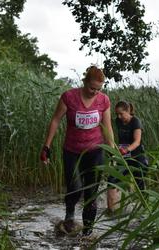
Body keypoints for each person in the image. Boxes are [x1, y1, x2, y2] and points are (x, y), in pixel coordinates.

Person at [40, 66, 114, 236]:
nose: (94, 92)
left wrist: (113, 150)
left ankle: (87, 234)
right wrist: (46, 147)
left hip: (95, 151)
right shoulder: (69, 97)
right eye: (91, 88)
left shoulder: (104, 100)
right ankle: (70, 214)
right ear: (85, 82)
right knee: (75, 187)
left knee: (91, 194)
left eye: (98, 89)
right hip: (72, 151)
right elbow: (55, 121)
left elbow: (108, 128)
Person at [107, 101, 148, 213]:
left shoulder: (136, 122)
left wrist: (126, 150)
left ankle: (144, 210)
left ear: (128, 111)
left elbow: (137, 142)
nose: (119, 117)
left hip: (137, 157)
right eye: (117, 114)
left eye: (121, 114)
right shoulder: (118, 121)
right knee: (112, 179)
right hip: (123, 157)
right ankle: (111, 210)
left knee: (140, 185)